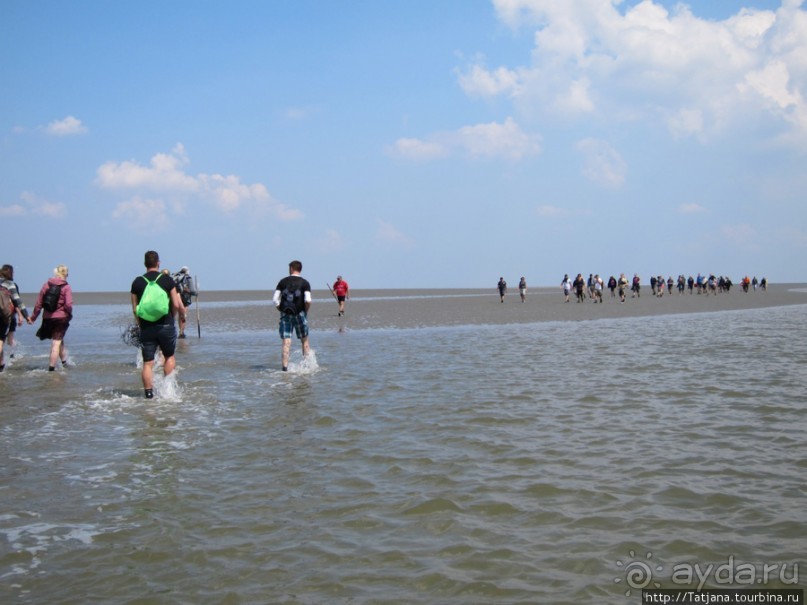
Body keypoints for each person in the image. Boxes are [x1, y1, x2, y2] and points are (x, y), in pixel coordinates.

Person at [131, 251, 185, 399]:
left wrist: (140, 324)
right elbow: (175, 304)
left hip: (147, 327)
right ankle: (167, 390)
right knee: (169, 357)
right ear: (158, 263)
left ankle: (148, 394)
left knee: (148, 363)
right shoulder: (167, 280)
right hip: (166, 325)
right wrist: (173, 317)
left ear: (145, 264)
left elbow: (135, 309)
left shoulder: (137, 282)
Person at [29, 265, 73, 371]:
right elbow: (68, 304)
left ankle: (64, 362)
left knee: (59, 340)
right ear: (66, 274)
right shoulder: (66, 287)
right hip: (61, 317)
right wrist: (69, 314)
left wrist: (33, 317)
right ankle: (51, 369)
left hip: (48, 318)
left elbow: (39, 303)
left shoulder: (46, 285)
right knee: (56, 343)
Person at [272, 260, 312, 372]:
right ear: (300, 269)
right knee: (305, 340)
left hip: (285, 314)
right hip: (300, 313)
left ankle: (284, 368)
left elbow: (275, 300)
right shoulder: (305, 283)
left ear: (291, 268)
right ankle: (307, 366)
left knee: (286, 342)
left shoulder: (282, 282)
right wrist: (305, 312)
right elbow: (308, 300)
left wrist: (280, 309)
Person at [0, 265, 33, 367]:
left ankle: (3, 363)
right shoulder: (10, 284)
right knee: (1, 340)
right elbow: (17, 301)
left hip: (6, 316)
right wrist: (26, 315)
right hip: (4, 316)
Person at [172, 266, 197, 338]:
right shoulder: (188, 278)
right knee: (183, 315)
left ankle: (177, 331)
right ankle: (181, 332)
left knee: (177, 315)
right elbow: (192, 291)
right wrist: (196, 293)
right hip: (185, 299)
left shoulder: (175, 277)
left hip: (176, 297)